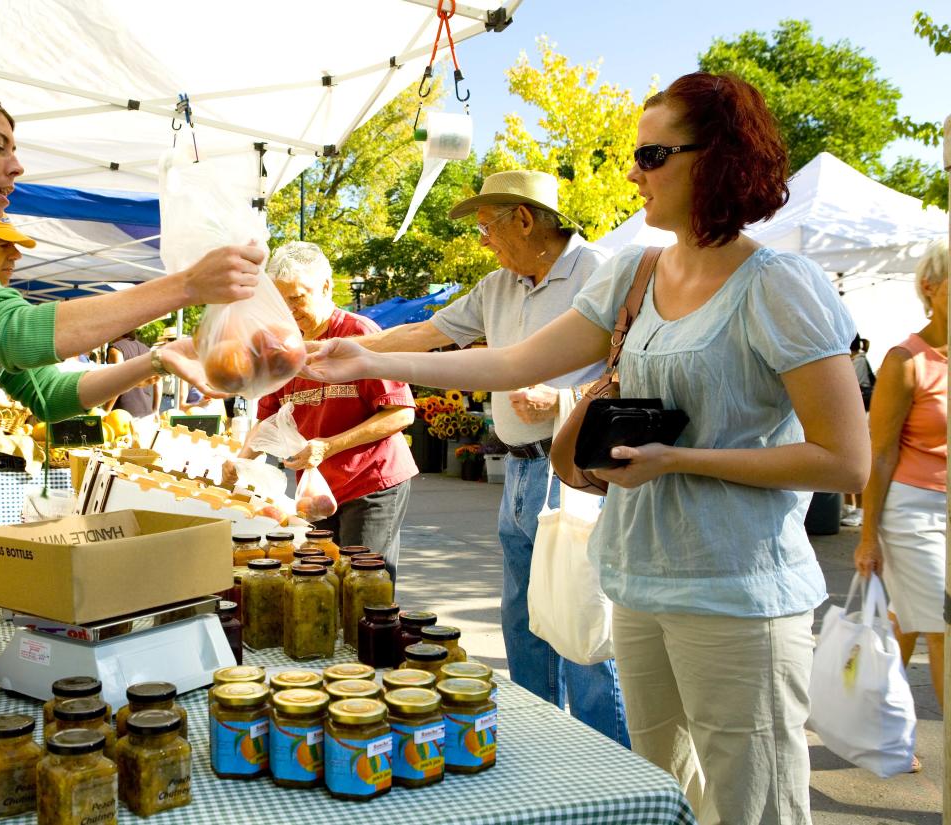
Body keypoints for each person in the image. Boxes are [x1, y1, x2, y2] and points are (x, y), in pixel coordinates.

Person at [305, 72, 869, 825]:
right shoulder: (637, 272)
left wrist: (682, 460)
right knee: (656, 794)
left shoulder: (780, 286)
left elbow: (843, 460)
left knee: (753, 805)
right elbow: (511, 362)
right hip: (638, 580)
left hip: (738, 594)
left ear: (718, 159)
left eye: (652, 154)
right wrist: (370, 360)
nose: (633, 170)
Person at [0, 87, 261, 673]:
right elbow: (16, 335)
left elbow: (48, 396)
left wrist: (156, 360)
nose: (16, 165)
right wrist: (185, 286)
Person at [351, 170, 627, 744]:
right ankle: (537, 739)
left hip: (580, 475)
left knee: (580, 618)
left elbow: (639, 365)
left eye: (486, 226)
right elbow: (430, 333)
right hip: (521, 470)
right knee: (523, 619)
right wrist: (348, 349)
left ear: (524, 219)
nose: (482, 241)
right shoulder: (498, 284)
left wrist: (563, 398)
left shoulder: (604, 272)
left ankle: (608, 759)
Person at [233, 241, 417, 578]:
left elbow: (401, 413)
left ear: (326, 287)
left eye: (298, 298)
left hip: (369, 483)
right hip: (317, 492)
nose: (289, 310)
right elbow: (268, 419)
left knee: (362, 582)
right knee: (321, 580)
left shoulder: (359, 334)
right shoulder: (284, 344)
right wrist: (242, 463)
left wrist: (328, 446)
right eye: (281, 300)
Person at [854, 239, 947, 747]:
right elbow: (880, 451)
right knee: (943, 629)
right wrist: (868, 537)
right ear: (930, 288)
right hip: (915, 509)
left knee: (909, 623)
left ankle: (882, 723)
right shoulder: (905, 360)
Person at [841, 334, 875, 526]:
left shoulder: (859, 361)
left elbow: (856, 388)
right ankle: (849, 506)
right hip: (849, 418)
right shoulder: (850, 360)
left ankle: (861, 509)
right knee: (846, 463)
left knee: (858, 464)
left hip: (860, 417)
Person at [105, 331, 159, 418]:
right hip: (147, 413)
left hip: (122, 416)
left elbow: (118, 380)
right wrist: (156, 409)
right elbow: (158, 381)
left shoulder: (115, 349)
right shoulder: (147, 349)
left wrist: (106, 411)